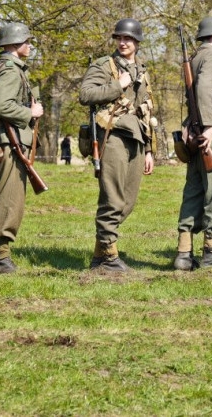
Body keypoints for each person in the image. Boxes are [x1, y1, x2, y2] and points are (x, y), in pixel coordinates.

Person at [78, 18, 156, 272]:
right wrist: (117, 85)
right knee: (112, 198)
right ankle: (109, 256)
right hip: (111, 137)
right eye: (120, 38)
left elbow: (146, 111)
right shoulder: (104, 65)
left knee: (127, 201)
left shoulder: (142, 70)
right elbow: (86, 95)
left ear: (137, 42)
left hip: (136, 139)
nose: (123, 43)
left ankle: (99, 254)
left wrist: (149, 150)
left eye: (128, 39)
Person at [173, 16, 212, 270]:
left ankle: (183, 254)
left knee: (195, 190)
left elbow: (211, 93)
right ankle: (211, 253)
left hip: (196, 130)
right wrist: (210, 128)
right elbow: (203, 89)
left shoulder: (196, 57)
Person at [0, 22, 43, 274]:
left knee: (9, 198)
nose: (29, 46)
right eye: (26, 41)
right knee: (8, 199)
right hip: (10, 143)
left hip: (11, 141)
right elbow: (2, 106)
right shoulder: (10, 70)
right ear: (15, 43)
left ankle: (2, 254)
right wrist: (30, 112)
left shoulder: (10, 67)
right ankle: (1, 257)